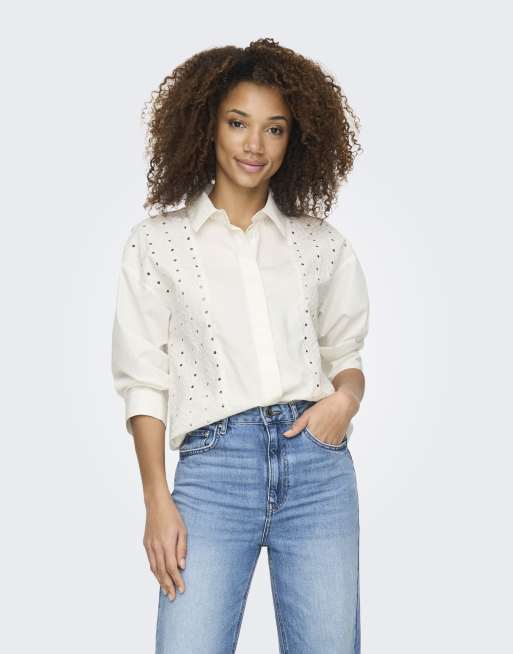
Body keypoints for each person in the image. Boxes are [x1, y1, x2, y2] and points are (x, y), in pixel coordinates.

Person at [111, 37, 370, 654]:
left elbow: (346, 355)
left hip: (317, 469)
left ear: (294, 139)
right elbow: (143, 378)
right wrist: (156, 500)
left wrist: (344, 403)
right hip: (213, 472)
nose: (255, 144)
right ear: (208, 126)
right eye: (238, 123)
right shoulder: (158, 243)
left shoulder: (320, 244)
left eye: (274, 128)